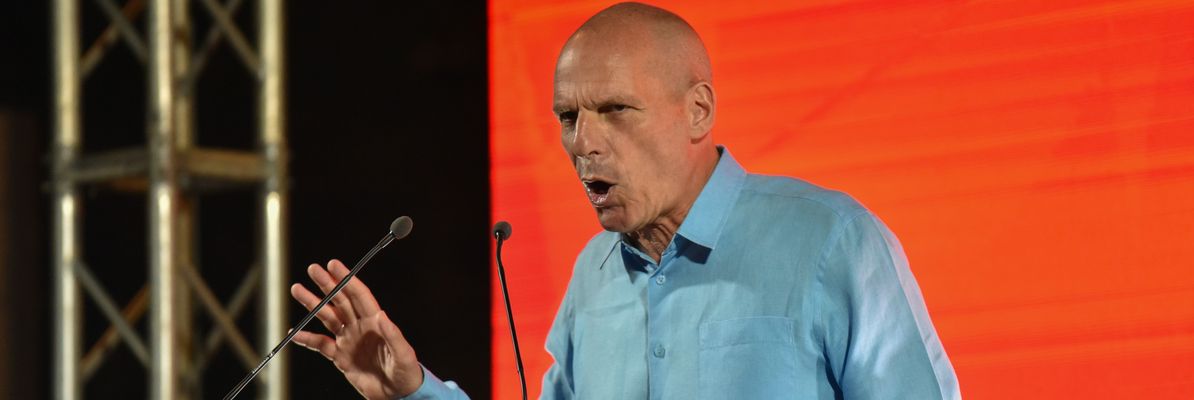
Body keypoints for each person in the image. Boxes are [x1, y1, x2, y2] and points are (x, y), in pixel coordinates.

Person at [289, 2, 960, 399]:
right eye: (568, 117)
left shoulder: (828, 241)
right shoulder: (593, 277)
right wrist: (414, 392)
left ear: (698, 111)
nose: (585, 143)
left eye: (614, 110)